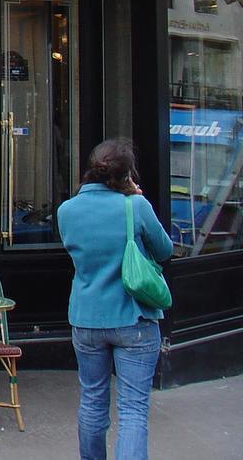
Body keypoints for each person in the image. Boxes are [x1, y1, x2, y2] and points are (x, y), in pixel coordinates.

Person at [58, 138, 174, 460]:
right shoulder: (134, 206)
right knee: (133, 410)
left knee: (92, 400)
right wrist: (136, 198)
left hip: (86, 318)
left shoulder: (66, 211)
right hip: (133, 318)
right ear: (127, 175)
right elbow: (165, 251)